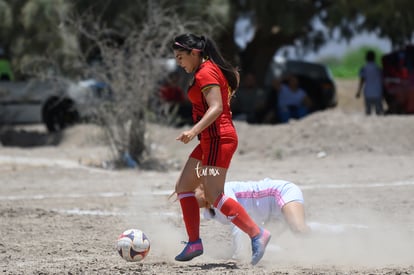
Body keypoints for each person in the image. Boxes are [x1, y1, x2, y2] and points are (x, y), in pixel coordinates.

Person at [171, 33, 271, 265]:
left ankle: (258, 234)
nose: (178, 62)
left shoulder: (206, 72)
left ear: (194, 53)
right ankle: (194, 242)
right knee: (184, 187)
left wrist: (193, 131)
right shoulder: (205, 70)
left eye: (180, 57)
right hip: (209, 139)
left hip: (218, 139)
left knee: (214, 195)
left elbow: (215, 108)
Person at [195, 178, 310, 260]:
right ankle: (321, 235)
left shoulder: (221, 192)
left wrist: (238, 255)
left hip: (280, 192)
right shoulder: (210, 211)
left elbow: (237, 220)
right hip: (269, 216)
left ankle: (327, 236)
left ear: (202, 187)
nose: (188, 200)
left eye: (192, 193)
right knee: (267, 248)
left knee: (299, 229)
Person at [356, 50, 384, 115]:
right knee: (379, 112)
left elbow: (362, 81)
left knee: (368, 111)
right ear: (374, 58)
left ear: (366, 58)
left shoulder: (363, 68)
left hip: (368, 92)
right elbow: (382, 80)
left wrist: (358, 92)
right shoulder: (378, 68)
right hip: (378, 92)